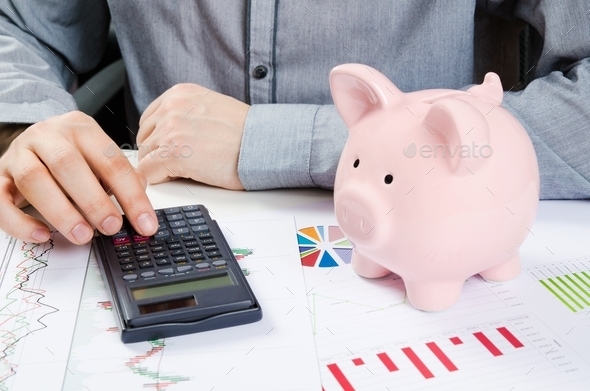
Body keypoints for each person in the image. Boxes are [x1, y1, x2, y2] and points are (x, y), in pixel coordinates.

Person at [0, 1, 589, 245]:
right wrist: (27, 123)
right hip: (158, 217)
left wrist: (273, 141)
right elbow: (18, 25)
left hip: (435, 229)